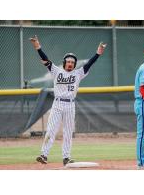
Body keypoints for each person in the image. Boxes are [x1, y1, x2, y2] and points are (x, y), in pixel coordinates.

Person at [30, 35, 106, 166]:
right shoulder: (56, 71)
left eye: (72, 62)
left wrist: (98, 53)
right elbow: (45, 59)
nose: (70, 63)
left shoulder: (78, 73)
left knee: (68, 132)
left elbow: (89, 64)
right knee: (51, 130)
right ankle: (44, 154)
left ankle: (66, 157)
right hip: (57, 104)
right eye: (68, 61)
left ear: (74, 64)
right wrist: (37, 46)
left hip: (70, 105)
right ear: (64, 62)